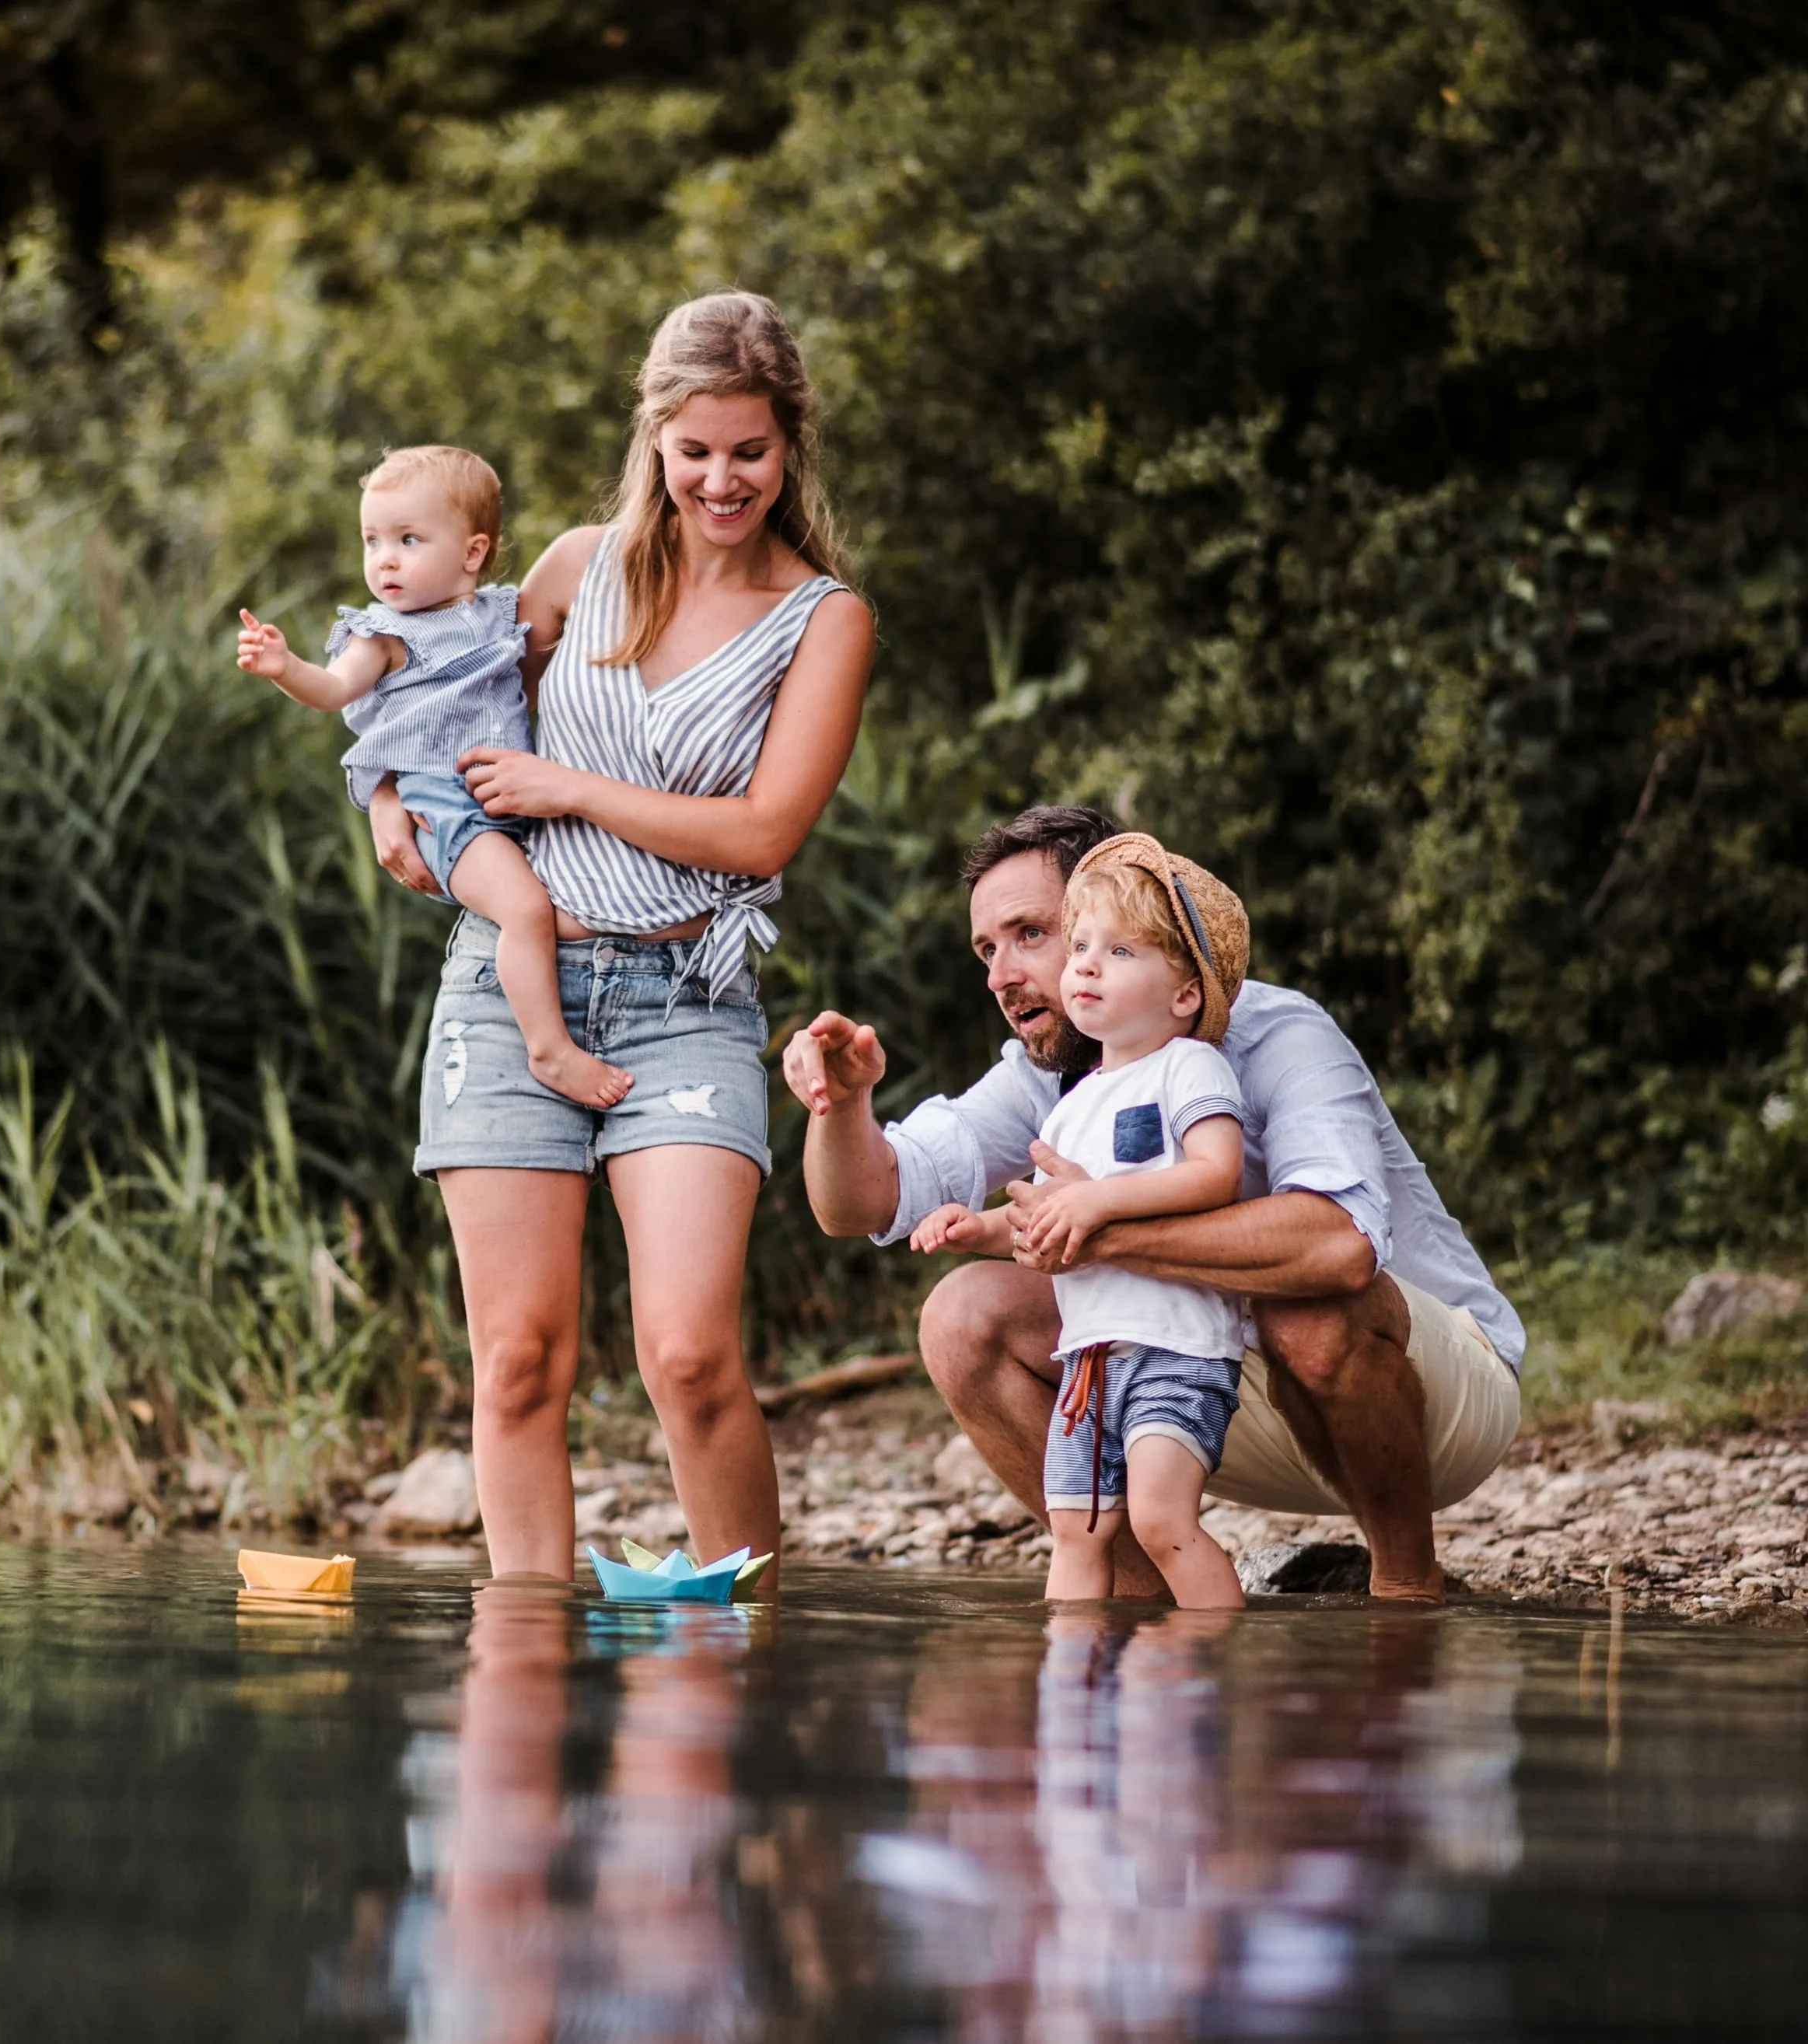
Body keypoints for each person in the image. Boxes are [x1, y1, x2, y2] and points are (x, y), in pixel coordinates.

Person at [379, 292, 875, 1593]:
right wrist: (386, 799)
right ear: (655, 438)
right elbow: (425, 699)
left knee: (692, 1353)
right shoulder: (569, 569)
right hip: (511, 984)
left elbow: (764, 832)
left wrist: (573, 790)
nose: (722, 479)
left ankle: (742, 1633)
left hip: (684, 993)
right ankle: (524, 1665)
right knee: (520, 1357)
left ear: (789, 449)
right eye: (695, 448)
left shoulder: (822, 618)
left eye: (750, 452)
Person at [782, 805, 1523, 1602]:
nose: (1000, 976)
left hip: (1434, 1401)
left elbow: (1338, 1245)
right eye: (986, 950)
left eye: (1030, 934)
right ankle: (1145, 1615)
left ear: (1121, 909)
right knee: (960, 1318)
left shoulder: (1275, 1033)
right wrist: (841, 1106)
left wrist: (1104, 1230)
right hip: (1197, 1385)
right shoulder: (1051, 1075)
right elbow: (858, 1206)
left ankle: (1406, 1592)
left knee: (1305, 1303)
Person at [913, 833, 1257, 1607]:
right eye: (1079, 948)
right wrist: (979, 1228)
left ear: (1183, 995)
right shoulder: (1073, 1105)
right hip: (1086, 1363)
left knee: (1163, 1520)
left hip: (1175, 1348)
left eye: (1120, 951)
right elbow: (1042, 1215)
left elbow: (1214, 1172)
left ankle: (1211, 1661)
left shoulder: (1188, 1066)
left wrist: (1098, 1201)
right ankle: (1070, 1679)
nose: (1088, 965)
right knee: (1075, 1528)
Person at [236, 445, 631, 1109]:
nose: (383, 558)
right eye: (372, 541)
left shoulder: (500, 613)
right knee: (526, 910)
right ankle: (550, 1050)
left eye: (407, 540)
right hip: (446, 807)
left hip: (510, 798)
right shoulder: (384, 634)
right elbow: (334, 689)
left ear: (473, 553)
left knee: (551, 902)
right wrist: (285, 668)